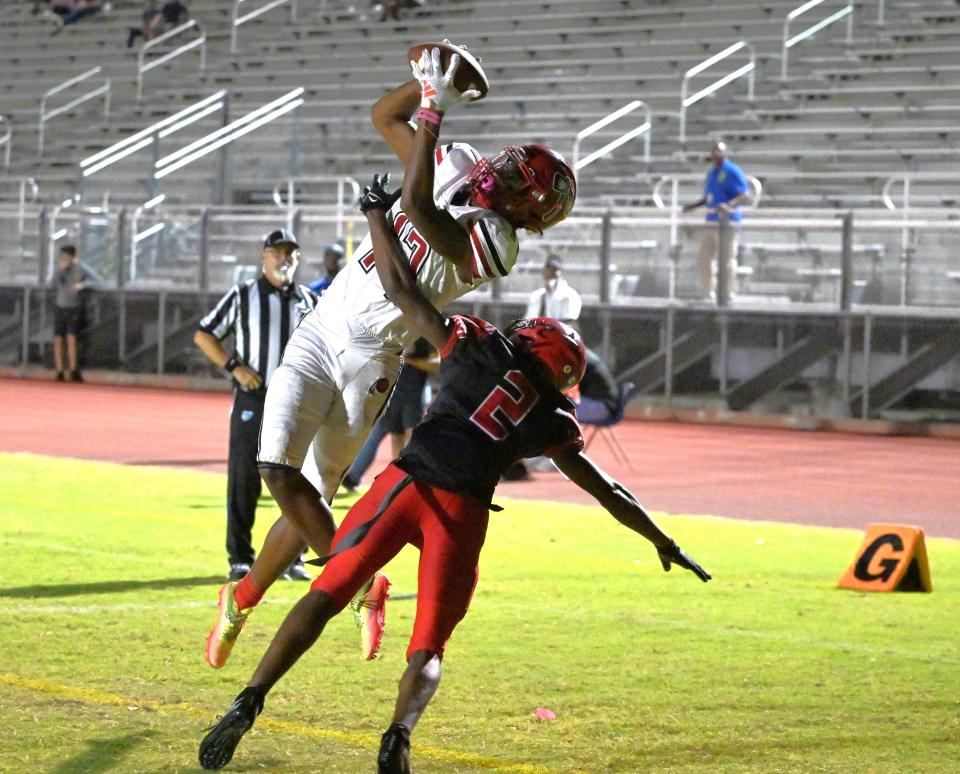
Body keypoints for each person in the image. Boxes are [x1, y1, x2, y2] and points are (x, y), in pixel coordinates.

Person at [197, 173, 710, 773]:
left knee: (326, 590)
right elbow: (608, 490)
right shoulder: (548, 413)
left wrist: (375, 214)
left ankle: (249, 700)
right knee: (429, 646)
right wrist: (662, 539)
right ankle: (397, 737)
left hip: (406, 485)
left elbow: (397, 286)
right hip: (462, 516)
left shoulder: (477, 343)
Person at [203, 47, 578, 668]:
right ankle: (361, 586)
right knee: (277, 472)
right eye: (512, 167)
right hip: (322, 329)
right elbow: (384, 117)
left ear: (526, 209)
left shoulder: (500, 240)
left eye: (518, 182)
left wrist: (434, 109)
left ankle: (240, 599)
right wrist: (427, 86)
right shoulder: (460, 162)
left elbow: (424, 212)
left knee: (311, 502)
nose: (503, 175)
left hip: (376, 356)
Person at [194, 229, 318, 584]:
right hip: (255, 397)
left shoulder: (309, 300)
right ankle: (240, 557)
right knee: (245, 478)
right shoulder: (243, 295)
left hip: (296, 400)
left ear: (298, 258)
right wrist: (234, 367)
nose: (284, 259)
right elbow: (204, 334)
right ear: (263, 257)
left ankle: (294, 555)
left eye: (290, 253)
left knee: (296, 481)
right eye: (277, 253)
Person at [341, 338, 438, 492]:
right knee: (400, 438)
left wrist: (410, 360)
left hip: (407, 397)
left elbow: (434, 363)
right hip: (397, 398)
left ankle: (400, 479)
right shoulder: (400, 340)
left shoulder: (420, 343)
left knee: (400, 438)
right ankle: (400, 479)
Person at [682, 140, 750, 300]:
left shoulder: (732, 171)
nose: (716, 154)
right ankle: (707, 292)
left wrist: (728, 205)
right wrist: (693, 206)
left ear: (725, 153)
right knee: (704, 257)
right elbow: (709, 197)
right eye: (714, 151)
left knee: (726, 259)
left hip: (728, 222)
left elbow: (744, 194)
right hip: (711, 220)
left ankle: (727, 292)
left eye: (720, 151)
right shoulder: (712, 172)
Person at [50, 245, 95, 383]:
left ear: (73, 257)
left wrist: (82, 285)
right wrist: (59, 271)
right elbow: (51, 284)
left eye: (66, 257)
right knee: (58, 339)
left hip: (74, 308)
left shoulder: (80, 268)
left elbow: (95, 280)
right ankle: (59, 371)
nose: (63, 259)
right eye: (62, 257)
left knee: (71, 338)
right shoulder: (59, 269)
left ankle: (73, 369)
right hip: (60, 306)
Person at [524, 254, 582, 324]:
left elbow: (569, 321)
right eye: (548, 269)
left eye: (554, 270)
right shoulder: (536, 296)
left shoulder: (570, 295)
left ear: (559, 272)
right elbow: (529, 320)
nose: (550, 273)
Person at [571, 346, 620, 424]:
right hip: (603, 405)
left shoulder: (581, 359)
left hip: (602, 407)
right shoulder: (584, 355)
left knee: (557, 408)